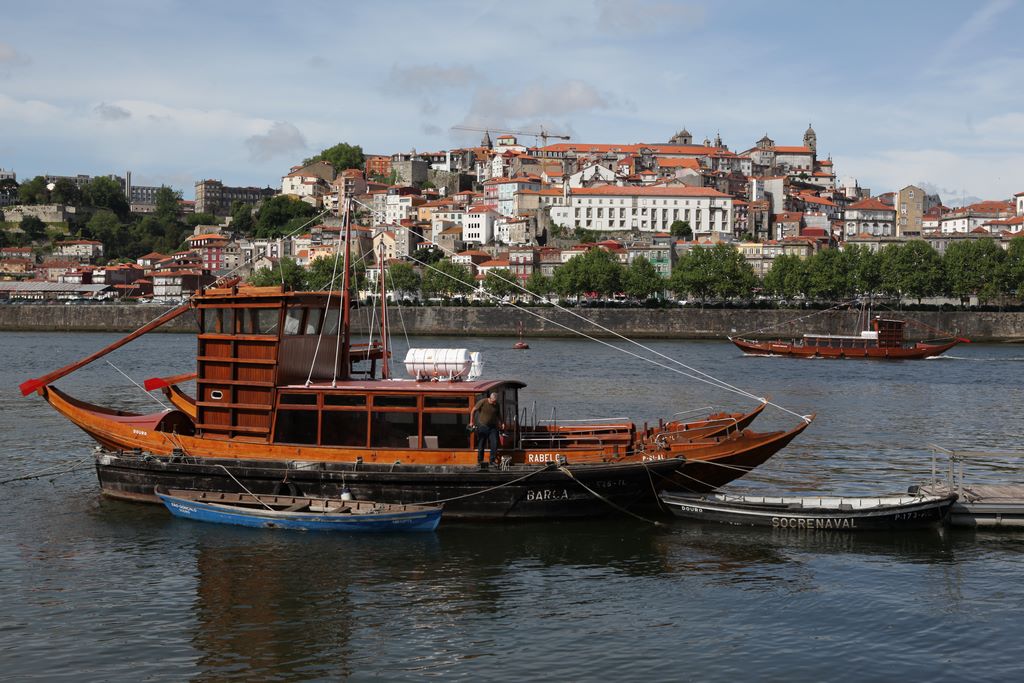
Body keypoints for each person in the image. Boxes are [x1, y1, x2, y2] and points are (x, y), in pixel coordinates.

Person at [470, 392, 502, 468]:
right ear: (490, 398)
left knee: (494, 443)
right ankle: (480, 461)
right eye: (493, 401)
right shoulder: (483, 402)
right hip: (483, 426)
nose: (494, 403)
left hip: (493, 427)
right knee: (481, 444)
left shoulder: (497, 404)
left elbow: (498, 414)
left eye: (495, 402)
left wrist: (502, 422)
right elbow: (473, 410)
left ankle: (492, 461)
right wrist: (471, 421)